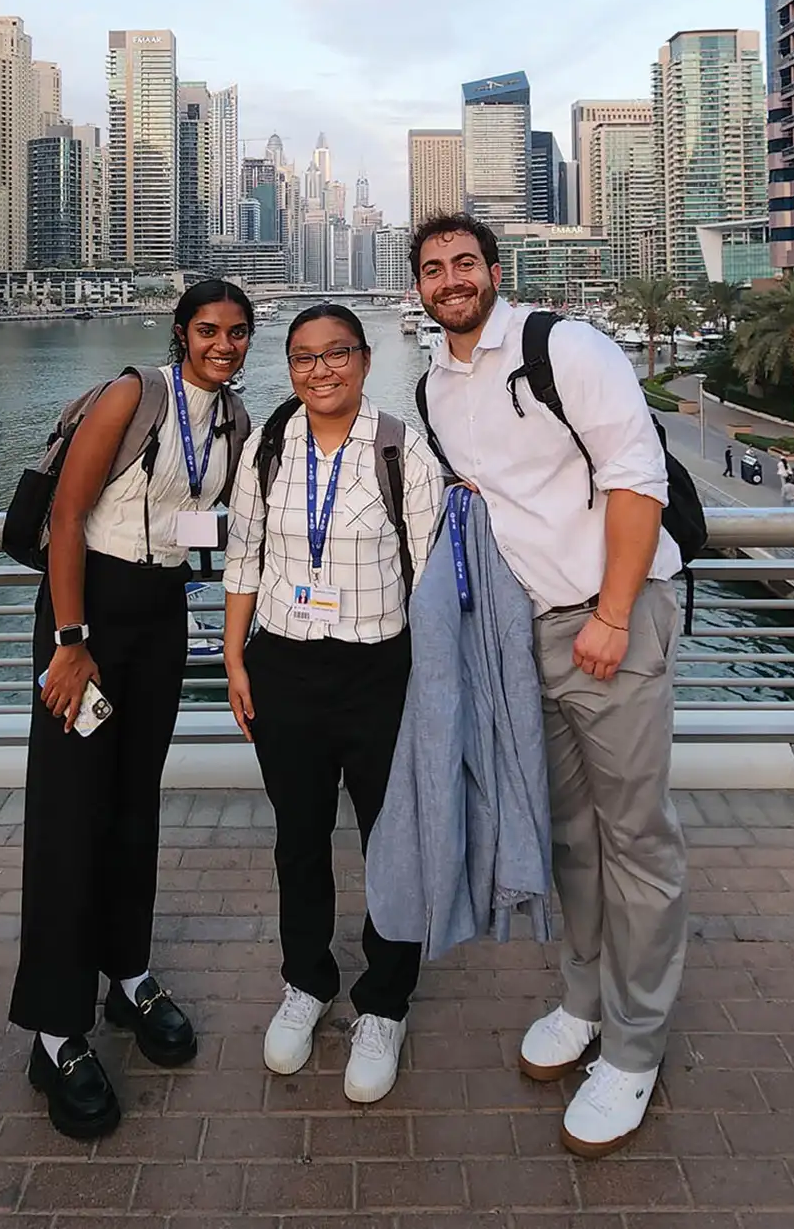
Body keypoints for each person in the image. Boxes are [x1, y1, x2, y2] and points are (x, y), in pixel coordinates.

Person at [412, 213, 686, 1158]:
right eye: (432, 269)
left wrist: (612, 615)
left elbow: (635, 476)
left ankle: (636, 1045)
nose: (450, 279)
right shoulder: (433, 388)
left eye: (464, 263)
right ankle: (583, 999)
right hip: (524, 638)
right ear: (419, 287)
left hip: (614, 620)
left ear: (494, 271)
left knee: (636, 838)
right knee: (569, 834)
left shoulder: (562, 346)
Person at [9, 279, 254, 1141]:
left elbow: (209, 523)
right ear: (181, 332)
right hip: (89, 617)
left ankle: (129, 975)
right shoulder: (131, 394)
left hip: (159, 619)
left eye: (237, 334)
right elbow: (70, 517)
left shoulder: (234, 421)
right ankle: (54, 1030)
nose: (223, 345)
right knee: (71, 816)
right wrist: (70, 639)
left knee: (133, 808)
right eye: (208, 330)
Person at [223, 304, 444, 1105]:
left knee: (392, 843)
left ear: (361, 359)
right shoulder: (268, 445)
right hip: (283, 665)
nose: (322, 370)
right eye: (305, 357)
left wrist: (431, 685)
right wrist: (233, 659)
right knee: (298, 838)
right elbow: (243, 555)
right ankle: (307, 982)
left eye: (337, 354)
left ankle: (384, 1003)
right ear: (290, 368)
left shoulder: (397, 445)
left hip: (380, 669)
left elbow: (431, 568)